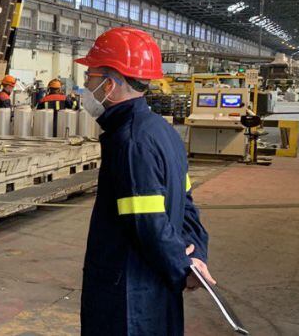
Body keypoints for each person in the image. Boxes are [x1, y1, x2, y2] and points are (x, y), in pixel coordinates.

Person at [76, 27, 213, 335]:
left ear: (109, 85)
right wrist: (194, 257)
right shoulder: (162, 131)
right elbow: (186, 207)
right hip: (155, 286)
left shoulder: (130, 141)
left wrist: (182, 267)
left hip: (126, 293)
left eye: (90, 77)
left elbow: (147, 221)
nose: (86, 85)